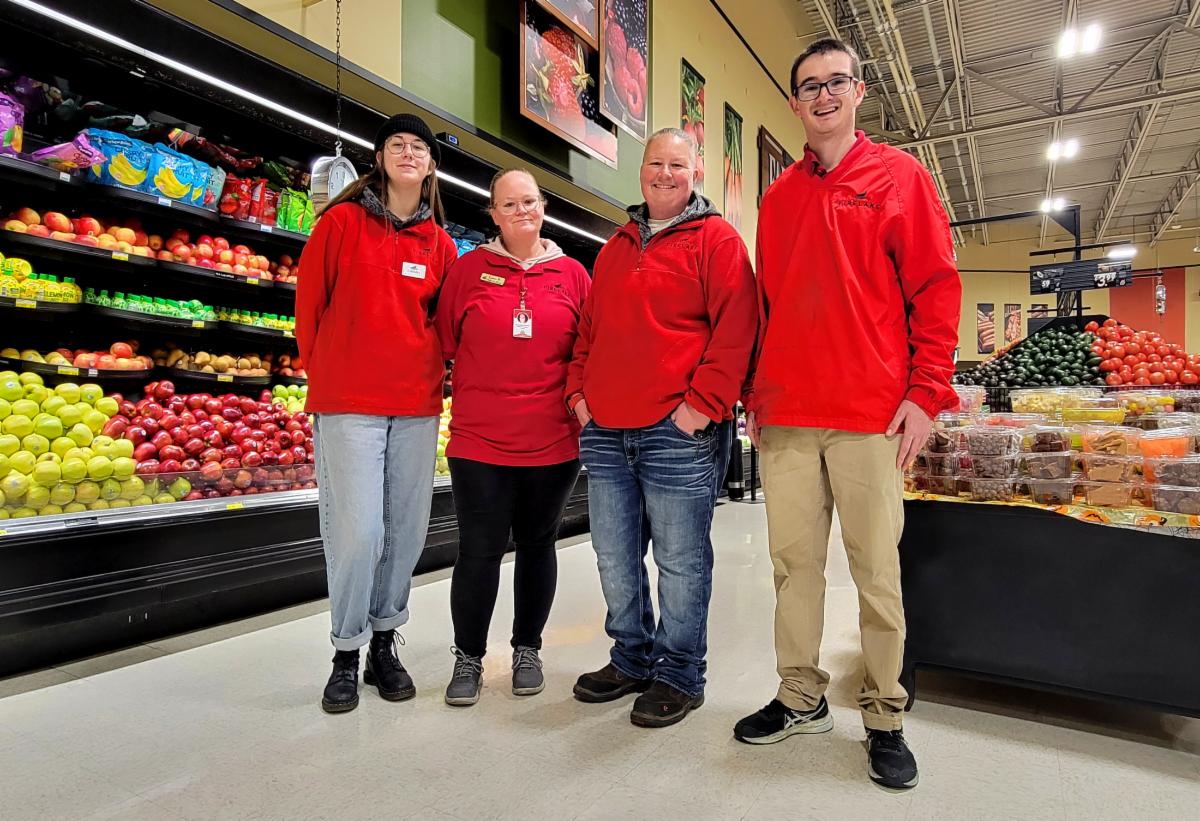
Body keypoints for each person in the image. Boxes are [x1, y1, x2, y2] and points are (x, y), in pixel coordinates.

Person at [733, 39, 961, 789]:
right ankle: (800, 696)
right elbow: (768, 307)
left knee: (876, 572)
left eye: (837, 82)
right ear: (794, 102)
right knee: (793, 567)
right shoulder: (778, 199)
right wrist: (757, 392)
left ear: (859, 92)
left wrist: (925, 392)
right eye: (810, 86)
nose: (823, 95)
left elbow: (935, 288)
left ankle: (885, 713)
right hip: (789, 415)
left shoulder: (899, 177)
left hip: (871, 416)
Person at [565, 128, 757, 728]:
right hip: (606, 430)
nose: (665, 174)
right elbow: (588, 330)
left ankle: (679, 672)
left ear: (694, 174)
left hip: (678, 431)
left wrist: (701, 406)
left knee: (680, 561)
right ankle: (631, 657)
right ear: (641, 170)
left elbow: (737, 330)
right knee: (613, 556)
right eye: (656, 163)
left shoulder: (717, 241)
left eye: (678, 165)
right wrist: (578, 395)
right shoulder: (616, 247)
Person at [297, 113, 458, 714]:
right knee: (359, 530)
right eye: (397, 144)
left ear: (431, 164)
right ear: (379, 157)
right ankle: (346, 649)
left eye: (419, 146)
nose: (408, 153)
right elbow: (309, 306)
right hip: (348, 403)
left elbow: (445, 326)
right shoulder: (340, 223)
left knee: (405, 530)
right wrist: (327, 373)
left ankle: (385, 643)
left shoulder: (441, 245)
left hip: (415, 403)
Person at [434, 169, 590, 706]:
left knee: (538, 544)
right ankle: (468, 657)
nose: (521, 211)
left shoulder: (573, 275)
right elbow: (445, 341)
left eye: (529, 201)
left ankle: (527, 649)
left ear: (543, 207)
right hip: (480, 440)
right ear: (493, 214)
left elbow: (587, 351)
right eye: (509, 204)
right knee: (478, 550)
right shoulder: (468, 270)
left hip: (553, 440)